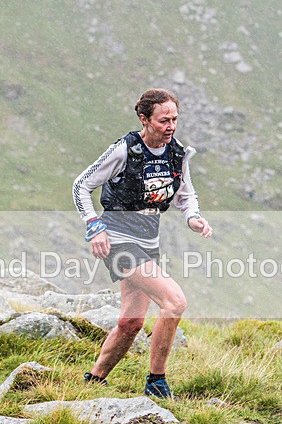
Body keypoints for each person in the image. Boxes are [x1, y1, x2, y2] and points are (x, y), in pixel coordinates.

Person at [72, 88, 212, 399]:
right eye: (164, 120)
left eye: (175, 119)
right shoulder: (124, 150)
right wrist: (94, 227)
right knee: (174, 302)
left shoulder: (177, 153)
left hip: (149, 242)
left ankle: (94, 381)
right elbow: (81, 185)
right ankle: (156, 382)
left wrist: (193, 217)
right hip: (119, 242)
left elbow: (185, 195)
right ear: (144, 119)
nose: (171, 126)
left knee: (131, 322)